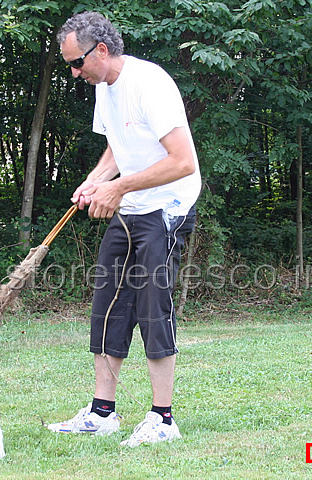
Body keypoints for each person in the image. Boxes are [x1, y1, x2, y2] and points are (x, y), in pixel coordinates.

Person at [47, 11, 201, 447]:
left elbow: (183, 162)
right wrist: (97, 181)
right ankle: (101, 413)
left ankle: (163, 419)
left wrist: (117, 188)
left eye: (76, 63)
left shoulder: (149, 84)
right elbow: (118, 144)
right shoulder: (105, 88)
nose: (74, 73)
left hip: (168, 206)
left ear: (101, 51)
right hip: (132, 204)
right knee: (109, 302)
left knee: (153, 306)